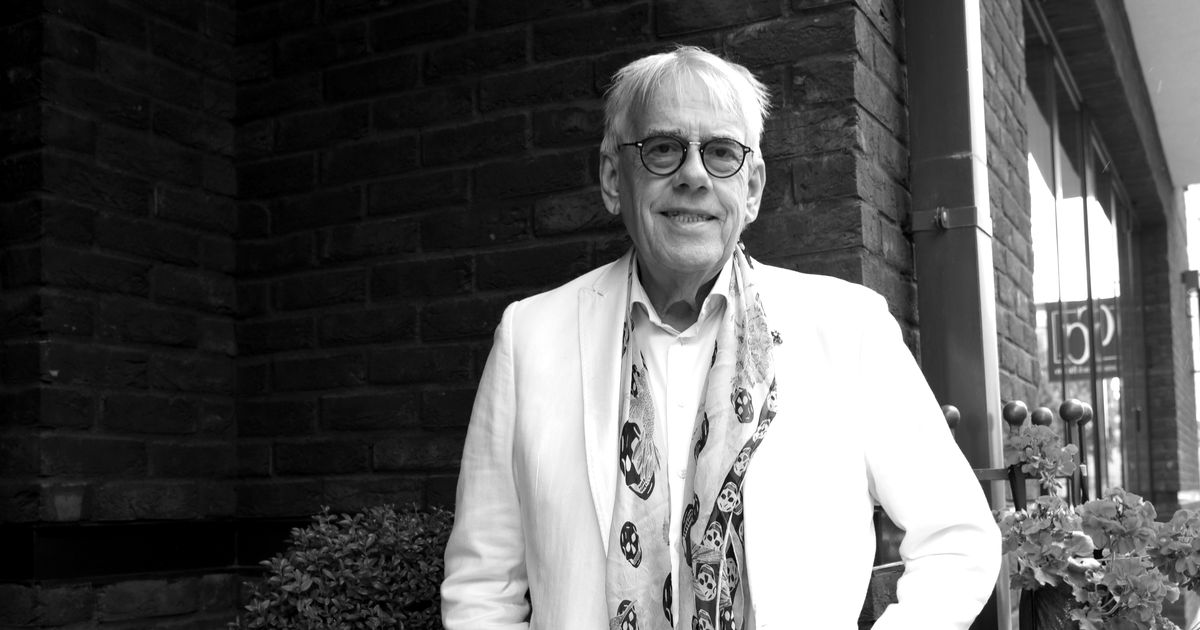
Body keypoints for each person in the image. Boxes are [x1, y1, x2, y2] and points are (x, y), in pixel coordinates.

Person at [441, 46, 1000, 630]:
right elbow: (483, 586)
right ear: (612, 178)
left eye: (722, 153)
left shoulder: (848, 326)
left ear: (752, 188)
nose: (694, 175)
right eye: (662, 149)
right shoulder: (529, 337)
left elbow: (957, 539)